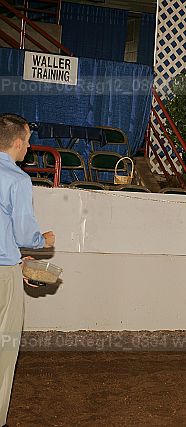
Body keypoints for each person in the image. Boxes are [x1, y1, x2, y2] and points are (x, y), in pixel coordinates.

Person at [0, 113, 55, 426]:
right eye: (29, 141)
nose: (30, 147)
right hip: (3, 275)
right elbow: (23, 235)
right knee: (4, 352)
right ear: (18, 143)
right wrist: (42, 240)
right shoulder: (17, 179)